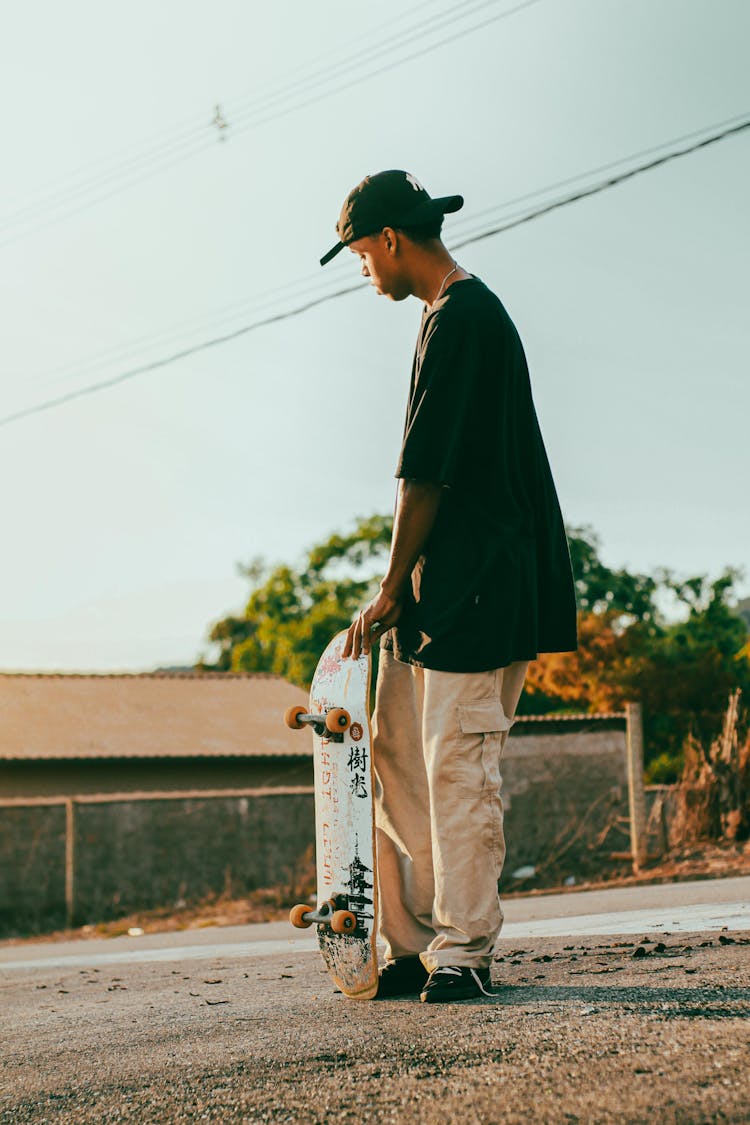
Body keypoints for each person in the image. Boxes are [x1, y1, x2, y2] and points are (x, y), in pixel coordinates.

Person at [319, 170, 578, 1002]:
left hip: (478, 588)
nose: (363, 268)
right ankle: (414, 940)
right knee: (396, 759)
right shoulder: (449, 318)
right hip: (442, 592)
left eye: (361, 253)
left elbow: (423, 475)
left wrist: (391, 583)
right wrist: (403, 593)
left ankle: (464, 948)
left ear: (391, 240)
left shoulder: (466, 319)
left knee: (459, 767)